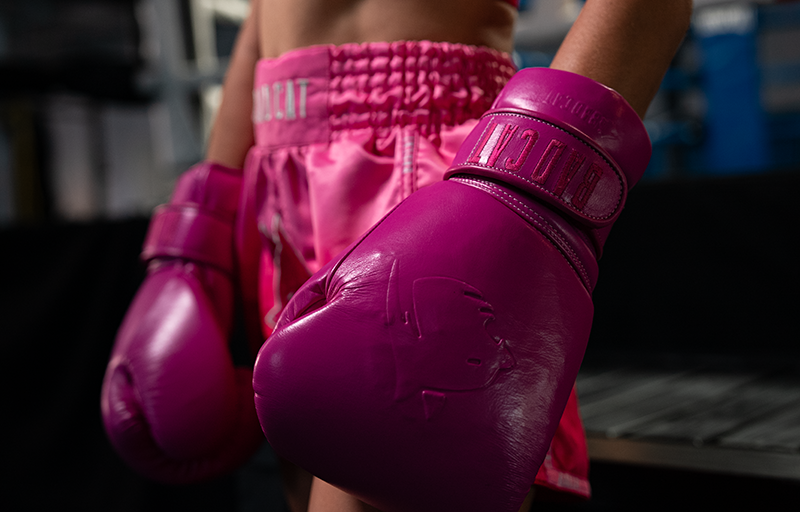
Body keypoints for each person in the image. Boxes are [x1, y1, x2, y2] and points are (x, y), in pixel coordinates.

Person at [101, 1, 692, 511]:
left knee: (394, 476)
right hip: (280, 185)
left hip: (423, 166)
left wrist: (525, 176)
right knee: (306, 479)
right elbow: (262, 21)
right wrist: (197, 238)